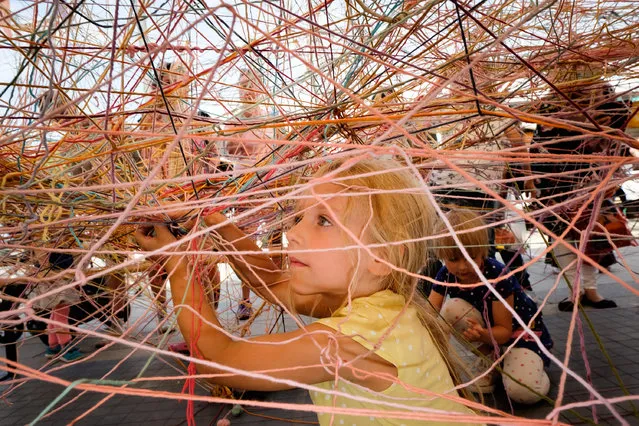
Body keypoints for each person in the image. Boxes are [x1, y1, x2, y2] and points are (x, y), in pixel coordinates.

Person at [135, 157, 481, 426]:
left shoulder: (343, 341)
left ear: (381, 257)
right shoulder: (379, 304)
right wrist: (211, 217)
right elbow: (269, 281)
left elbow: (219, 361)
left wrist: (178, 266)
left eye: (324, 220)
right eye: (299, 217)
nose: (294, 233)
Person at [429, 210, 553, 405]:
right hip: (489, 335)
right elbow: (431, 312)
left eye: (470, 258)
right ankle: (492, 362)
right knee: (450, 309)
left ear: (483, 251)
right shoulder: (445, 273)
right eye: (453, 259)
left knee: (524, 392)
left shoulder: (496, 274)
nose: (462, 267)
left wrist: (482, 335)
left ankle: (532, 365)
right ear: (442, 256)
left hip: (518, 336)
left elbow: (504, 332)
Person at [531, 81, 632, 311]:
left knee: (593, 237)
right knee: (564, 237)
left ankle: (591, 290)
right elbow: (544, 136)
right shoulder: (553, 98)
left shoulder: (602, 91)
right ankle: (573, 291)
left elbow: (620, 119)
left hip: (595, 179)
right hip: (558, 181)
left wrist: (605, 118)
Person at [32, 252, 86, 362]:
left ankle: (53, 346)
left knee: (56, 312)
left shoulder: (54, 241)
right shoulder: (45, 239)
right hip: (56, 278)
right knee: (61, 313)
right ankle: (66, 347)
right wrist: (49, 276)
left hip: (56, 275)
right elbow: (41, 255)